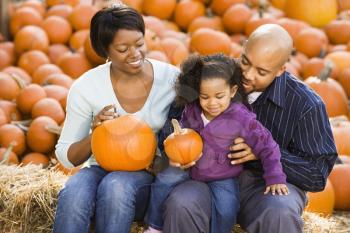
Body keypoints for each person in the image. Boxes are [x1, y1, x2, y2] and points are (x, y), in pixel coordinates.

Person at [159, 24, 338, 233]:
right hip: (207, 177)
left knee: (280, 211)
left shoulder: (306, 105)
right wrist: (176, 148)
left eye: (261, 71)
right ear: (243, 48)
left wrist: (260, 153)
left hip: (265, 185)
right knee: (182, 203)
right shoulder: (214, 73)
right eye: (245, 61)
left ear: (281, 70)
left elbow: (316, 175)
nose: (248, 74)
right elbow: (172, 121)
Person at [53, 4, 180, 233]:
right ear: (105, 51)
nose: (135, 54)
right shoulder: (86, 87)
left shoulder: (172, 80)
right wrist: (95, 134)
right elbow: (66, 157)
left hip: (148, 173)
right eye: (123, 49)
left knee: (116, 187)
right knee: (73, 194)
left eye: (140, 44)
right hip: (100, 167)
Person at [144, 53, 288, 233]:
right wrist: (175, 142)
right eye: (205, 97)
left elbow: (267, 145)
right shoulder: (192, 109)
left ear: (233, 91)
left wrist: (274, 176)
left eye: (219, 96)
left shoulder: (241, 118)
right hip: (189, 166)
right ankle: (154, 226)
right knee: (164, 179)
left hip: (223, 175)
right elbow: (183, 128)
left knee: (227, 208)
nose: (212, 103)